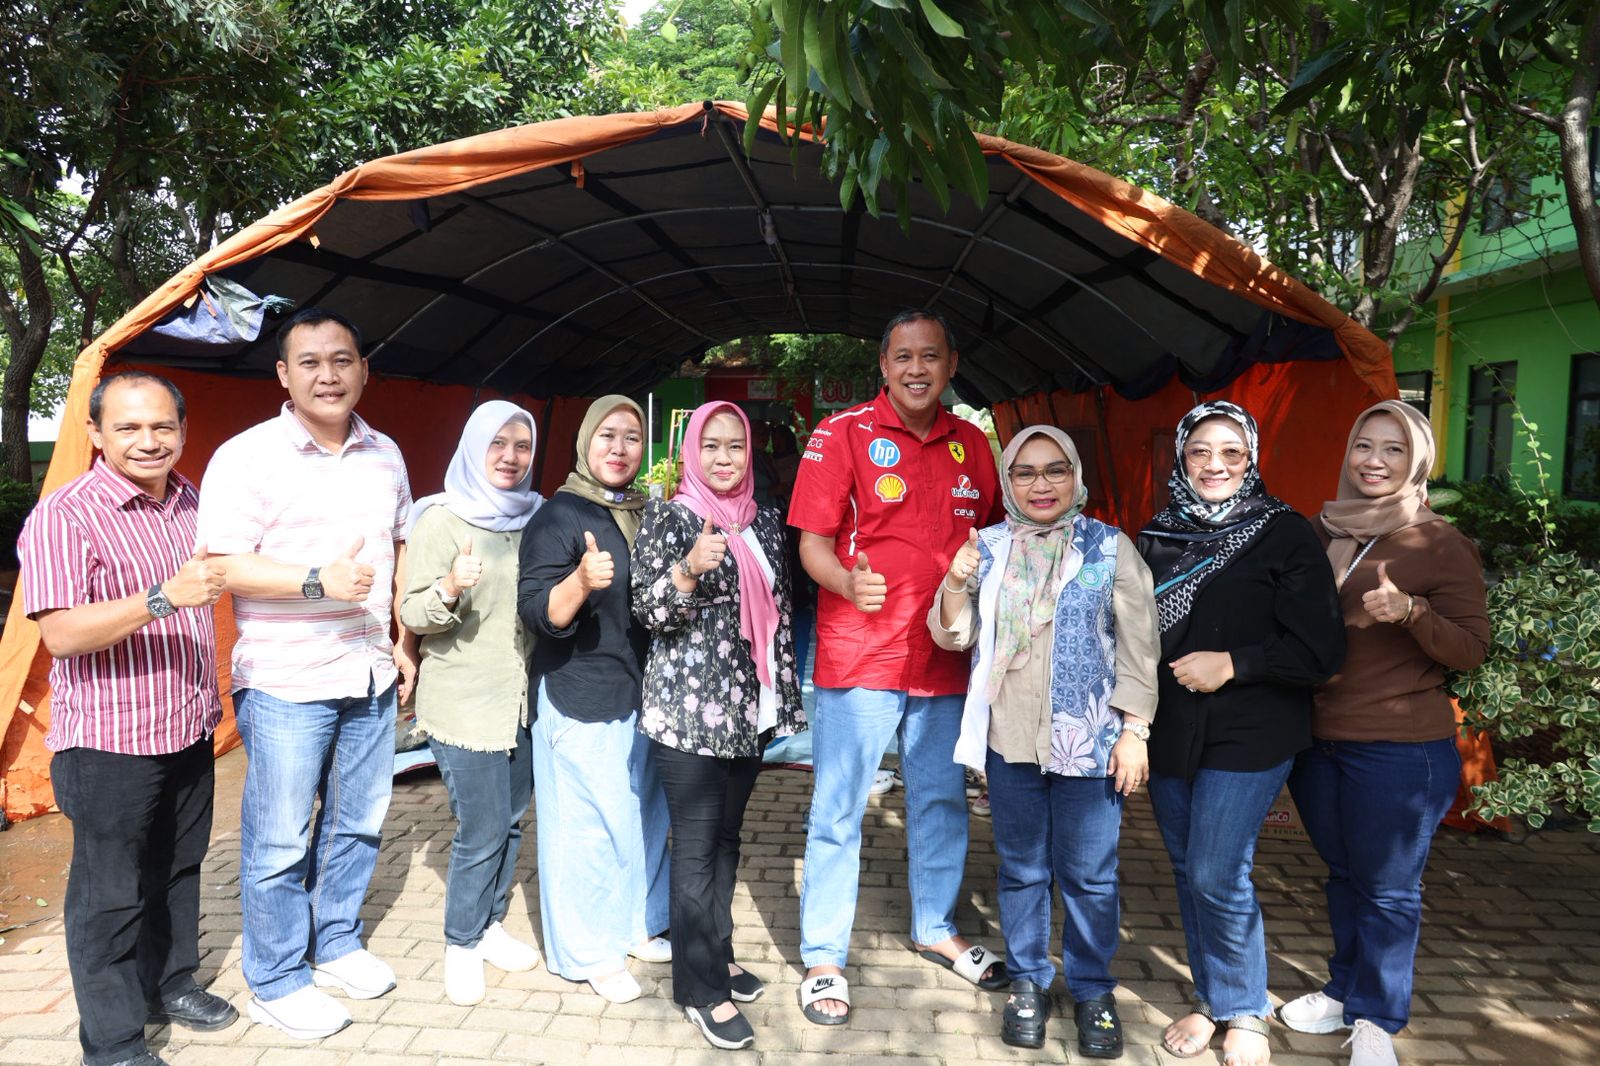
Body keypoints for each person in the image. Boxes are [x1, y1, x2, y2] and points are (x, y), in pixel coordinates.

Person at [197, 307, 415, 1040]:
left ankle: (338, 941)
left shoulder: (386, 453)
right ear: (284, 375)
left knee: (358, 823)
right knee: (281, 839)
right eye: (311, 362)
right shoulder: (246, 456)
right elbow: (221, 566)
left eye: (342, 360)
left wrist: (403, 642)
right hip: (287, 680)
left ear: (364, 371)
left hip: (369, 673)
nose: (328, 375)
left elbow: (399, 544)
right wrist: (318, 580)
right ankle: (278, 977)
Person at [787, 308, 1004, 1026]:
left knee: (940, 801)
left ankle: (935, 927)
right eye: (903, 356)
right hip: (861, 656)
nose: (917, 369)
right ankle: (824, 956)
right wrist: (846, 584)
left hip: (943, 661)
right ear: (883, 366)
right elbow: (812, 545)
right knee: (839, 809)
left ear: (951, 365)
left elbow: (998, 542)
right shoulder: (841, 433)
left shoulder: (973, 445)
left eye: (930, 356)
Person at [18, 372, 235, 1066]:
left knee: (178, 867)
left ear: (182, 430)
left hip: (187, 725)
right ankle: (111, 1044)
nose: (149, 441)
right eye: (129, 427)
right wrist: (162, 596)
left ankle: (169, 985)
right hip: (110, 742)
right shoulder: (64, 515)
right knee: (108, 896)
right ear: (95, 433)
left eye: (162, 426)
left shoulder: (190, 499)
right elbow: (61, 634)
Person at [929, 425, 1160, 1060]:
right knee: (1023, 869)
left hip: (1090, 741)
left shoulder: (1108, 546)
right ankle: (1029, 981)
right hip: (1011, 739)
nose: (1041, 484)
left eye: (1055, 470)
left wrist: (1135, 731)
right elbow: (953, 636)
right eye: (1025, 472)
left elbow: (1140, 648)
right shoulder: (988, 547)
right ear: (1007, 481)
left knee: (1090, 875)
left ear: (1075, 476)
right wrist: (956, 581)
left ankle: (1091, 989)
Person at [1278, 401, 1489, 1066]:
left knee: (1388, 888)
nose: (1374, 461)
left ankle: (1376, 1018)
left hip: (1399, 749)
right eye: (1364, 445)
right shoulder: (1320, 529)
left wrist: (1411, 611)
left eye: (1394, 449)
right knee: (1344, 874)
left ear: (1417, 461)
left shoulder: (1439, 543)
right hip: (1318, 739)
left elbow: (1470, 649)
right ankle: (1345, 990)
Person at [1136, 401, 1344, 1066]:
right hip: (1171, 728)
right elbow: (1132, 638)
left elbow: (1321, 649)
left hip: (1252, 730)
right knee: (1187, 870)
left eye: (1231, 451)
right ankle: (1213, 1000)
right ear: (1181, 457)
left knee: (1216, 870)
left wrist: (1235, 663)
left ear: (1252, 457)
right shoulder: (1156, 536)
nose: (1215, 464)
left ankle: (1247, 1007)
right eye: (1200, 451)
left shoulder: (1284, 533)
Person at [631, 401, 806, 1050]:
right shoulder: (672, 517)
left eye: (735, 445)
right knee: (697, 850)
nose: (725, 457)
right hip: (688, 717)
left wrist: (781, 697)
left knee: (728, 840)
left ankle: (718, 954)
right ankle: (701, 989)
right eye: (712, 446)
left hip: (748, 713)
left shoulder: (764, 518)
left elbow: (783, 612)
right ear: (691, 453)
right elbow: (647, 611)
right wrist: (688, 569)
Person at [517, 394, 671, 1003]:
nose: (619, 448)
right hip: (579, 691)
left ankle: (635, 925)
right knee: (585, 829)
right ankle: (587, 952)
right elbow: (537, 613)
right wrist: (580, 582)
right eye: (607, 434)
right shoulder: (559, 515)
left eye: (632, 436)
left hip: (641, 693)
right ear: (585, 441)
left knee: (639, 815)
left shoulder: (645, 511)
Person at [398, 401, 545, 1006]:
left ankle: (489, 926)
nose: (510, 457)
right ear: (473, 446)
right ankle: (461, 943)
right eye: (497, 444)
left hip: (522, 700)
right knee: (481, 828)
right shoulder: (440, 517)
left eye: (522, 445)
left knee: (510, 822)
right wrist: (451, 586)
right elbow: (412, 613)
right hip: (464, 700)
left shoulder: (537, 516)